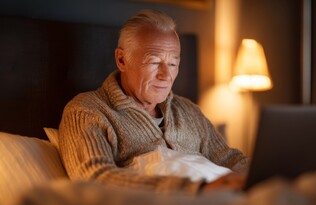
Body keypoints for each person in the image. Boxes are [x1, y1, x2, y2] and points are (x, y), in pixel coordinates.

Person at [58, 9, 249, 195]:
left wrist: (267, 174)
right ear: (122, 59)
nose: (166, 75)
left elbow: (229, 158)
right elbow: (95, 180)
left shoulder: (189, 111)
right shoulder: (86, 111)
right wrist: (196, 191)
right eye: (154, 62)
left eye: (173, 64)